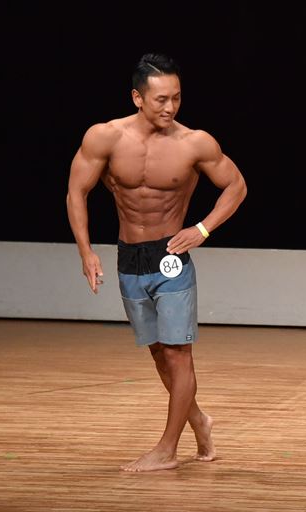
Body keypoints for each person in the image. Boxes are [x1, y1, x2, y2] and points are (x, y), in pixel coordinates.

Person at [66, 53, 247, 472]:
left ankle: (167, 449)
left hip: (171, 257)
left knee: (178, 353)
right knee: (159, 353)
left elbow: (236, 186)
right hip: (129, 257)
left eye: (177, 98)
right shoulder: (104, 138)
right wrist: (85, 251)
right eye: (161, 99)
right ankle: (198, 420)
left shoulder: (194, 143)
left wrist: (202, 230)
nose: (170, 107)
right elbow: (76, 192)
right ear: (137, 97)